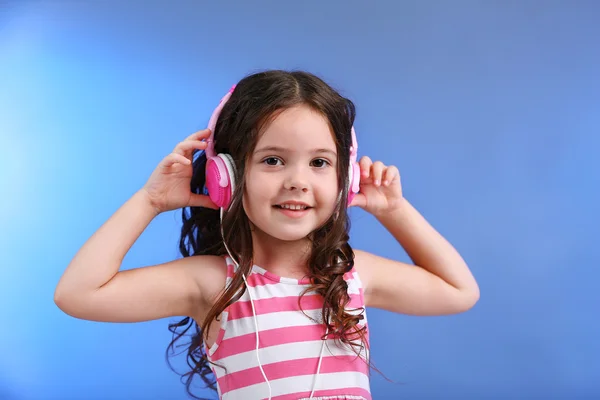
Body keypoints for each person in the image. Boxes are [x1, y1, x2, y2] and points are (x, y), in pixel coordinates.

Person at [54, 70, 480, 400]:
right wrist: (149, 202)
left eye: (319, 163)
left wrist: (396, 211)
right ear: (228, 176)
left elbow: (458, 290)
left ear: (344, 181)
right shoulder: (212, 283)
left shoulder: (350, 275)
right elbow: (78, 293)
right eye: (273, 160)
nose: (298, 181)